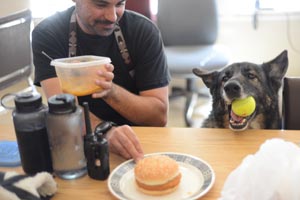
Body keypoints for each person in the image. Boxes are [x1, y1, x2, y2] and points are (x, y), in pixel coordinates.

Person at [32, 0, 170, 162]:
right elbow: (64, 110)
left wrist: (110, 91)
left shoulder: (143, 31)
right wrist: (105, 131)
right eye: (100, 5)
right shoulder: (49, 33)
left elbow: (158, 117)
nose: (112, 17)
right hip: (79, 140)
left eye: (120, 4)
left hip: (138, 142)